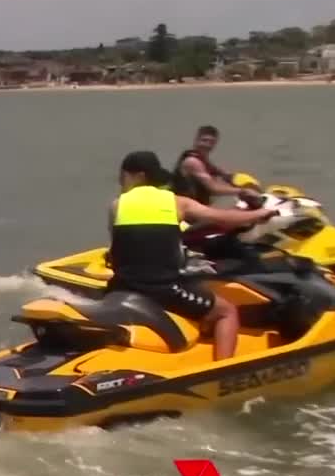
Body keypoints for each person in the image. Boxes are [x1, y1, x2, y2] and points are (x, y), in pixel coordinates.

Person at [108, 151, 276, 361]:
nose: (120, 181)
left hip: (122, 285)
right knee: (227, 311)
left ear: (138, 176)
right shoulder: (177, 202)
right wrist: (260, 215)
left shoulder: (116, 205)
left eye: (122, 176)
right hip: (160, 289)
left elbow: (117, 248)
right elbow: (224, 219)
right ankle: (222, 372)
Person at [170, 125, 258, 205]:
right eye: (204, 140)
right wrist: (242, 191)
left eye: (211, 142)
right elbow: (214, 188)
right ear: (196, 140)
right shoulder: (192, 161)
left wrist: (245, 184)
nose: (207, 145)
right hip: (185, 208)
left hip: (198, 206)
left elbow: (223, 173)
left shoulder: (203, 159)